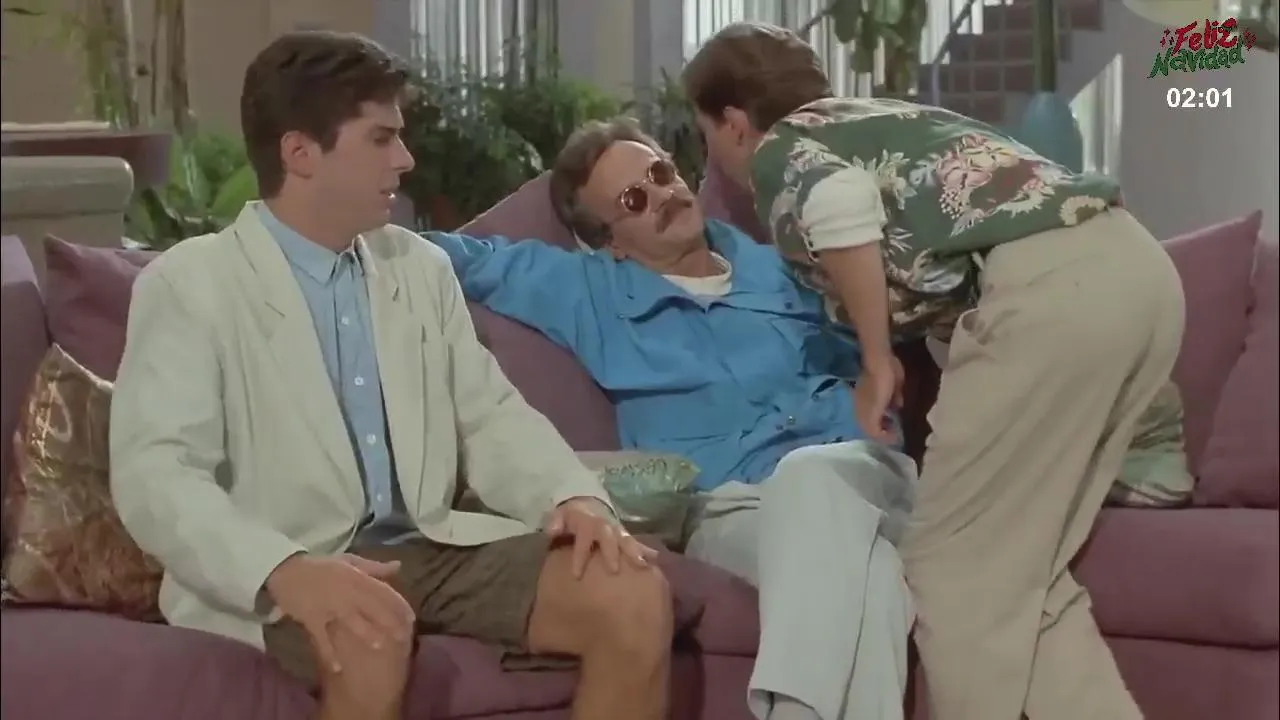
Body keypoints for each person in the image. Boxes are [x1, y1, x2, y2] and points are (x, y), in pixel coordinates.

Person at [109, 31, 673, 720]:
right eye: (381, 138)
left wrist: (572, 498)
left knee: (632, 594)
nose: (404, 159)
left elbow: (488, 414)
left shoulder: (418, 267)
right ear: (300, 153)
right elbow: (157, 473)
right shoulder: (190, 284)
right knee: (369, 633)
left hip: (431, 544)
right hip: (292, 561)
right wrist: (282, 569)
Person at [684, 21, 1186, 720]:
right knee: (1020, 580)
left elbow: (838, 204)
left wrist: (875, 359)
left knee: (948, 571)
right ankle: (1150, 456)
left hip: (1051, 298)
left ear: (734, 123)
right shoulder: (883, 121)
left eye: (705, 135)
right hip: (1136, 268)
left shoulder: (787, 151)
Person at [426, 118, 918, 720]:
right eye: (635, 199)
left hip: (858, 476)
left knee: (810, 478)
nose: (663, 195)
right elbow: (453, 256)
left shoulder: (788, 268)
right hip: (729, 509)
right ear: (610, 241)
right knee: (874, 577)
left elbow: (883, 328)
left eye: (661, 173)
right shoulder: (587, 292)